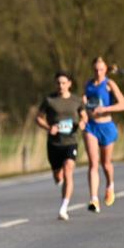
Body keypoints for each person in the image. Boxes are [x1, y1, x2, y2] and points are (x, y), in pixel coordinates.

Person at [36, 71, 87, 220]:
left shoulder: (76, 100)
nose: (61, 86)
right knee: (58, 176)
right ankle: (59, 179)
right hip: (54, 143)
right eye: (58, 83)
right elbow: (38, 118)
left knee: (68, 170)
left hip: (70, 142)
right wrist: (48, 127)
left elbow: (84, 116)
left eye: (63, 83)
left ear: (69, 84)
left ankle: (63, 208)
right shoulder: (49, 100)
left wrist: (83, 123)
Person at [82, 57, 124, 213]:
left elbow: (123, 105)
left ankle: (110, 185)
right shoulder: (88, 85)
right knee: (93, 163)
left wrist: (106, 109)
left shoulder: (109, 84)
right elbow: (86, 103)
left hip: (106, 126)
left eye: (101, 70)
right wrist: (84, 107)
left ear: (106, 70)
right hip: (91, 126)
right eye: (95, 70)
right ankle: (94, 199)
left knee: (106, 164)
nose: (98, 72)